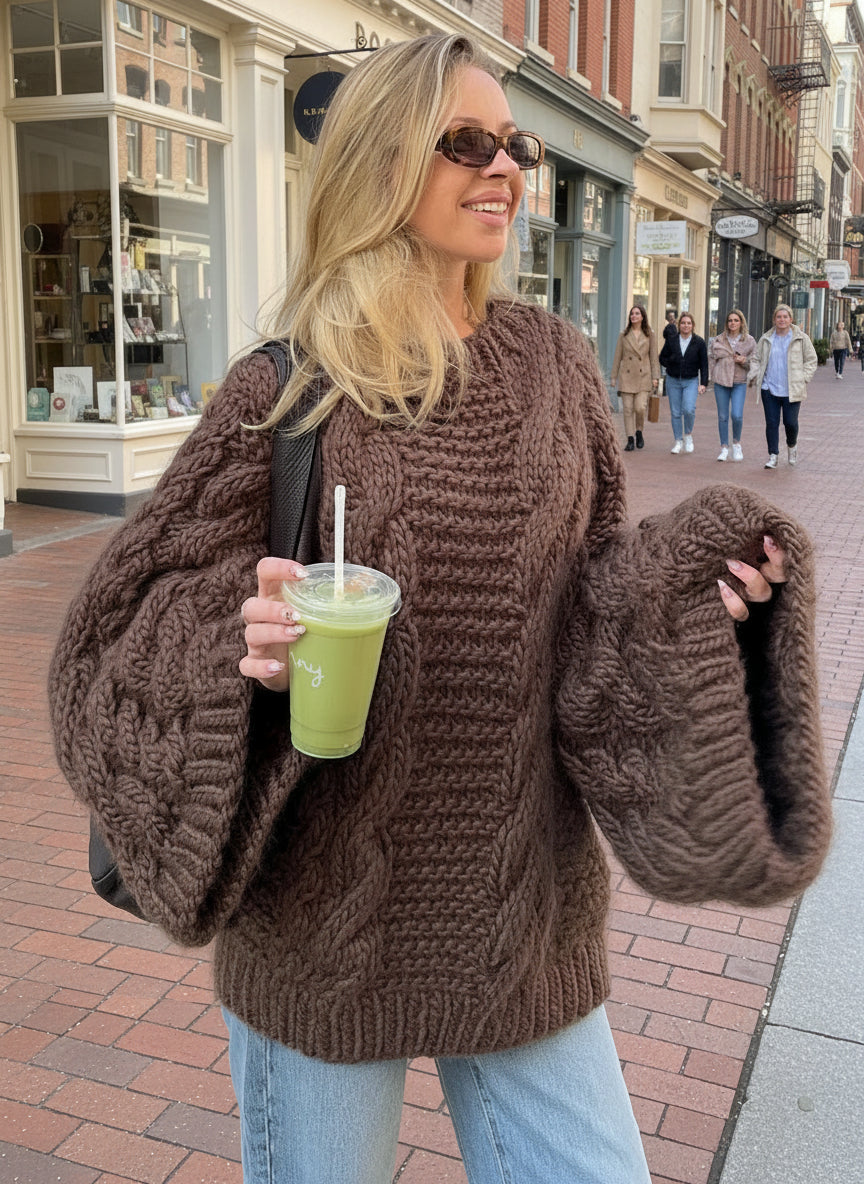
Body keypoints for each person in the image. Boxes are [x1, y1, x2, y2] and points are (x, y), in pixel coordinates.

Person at [48, 35, 831, 1184]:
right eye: (469, 141)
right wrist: (241, 635)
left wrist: (696, 590)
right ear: (379, 160)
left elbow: (592, 605)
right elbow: (120, 627)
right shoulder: (290, 382)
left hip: (525, 913)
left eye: (513, 144)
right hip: (322, 927)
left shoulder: (559, 368)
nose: (507, 166)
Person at [750, 303, 818, 469]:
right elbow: (756, 359)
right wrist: (755, 374)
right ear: (774, 319)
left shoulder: (801, 338)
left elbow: (811, 360)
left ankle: (792, 445)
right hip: (769, 388)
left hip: (792, 389)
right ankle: (773, 455)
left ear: (790, 319)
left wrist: (803, 378)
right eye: (779, 317)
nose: (782, 320)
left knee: (790, 423)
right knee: (771, 423)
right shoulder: (766, 338)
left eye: (785, 317)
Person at [609, 304, 659, 451]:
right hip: (627, 376)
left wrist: (656, 377)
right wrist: (613, 376)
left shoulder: (650, 334)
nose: (634, 316)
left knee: (640, 407)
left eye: (637, 313)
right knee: (628, 408)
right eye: (632, 314)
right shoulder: (623, 335)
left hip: (644, 377)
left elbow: (654, 357)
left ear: (642, 316)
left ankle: (639, 431)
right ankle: (630, 438)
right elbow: (618, 356)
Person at [708, 309, 757, 462]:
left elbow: (755, 362)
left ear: (741, 322)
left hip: (739, 381)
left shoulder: (749, 341)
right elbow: (711, 359)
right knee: (722, 416)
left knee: (736, 414)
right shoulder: (718, 340)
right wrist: (710, 376)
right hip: (721, 381)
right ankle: (724, 447)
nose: (733, 323)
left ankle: (736, 443)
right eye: (730, 320)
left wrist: (744, 361)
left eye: (736, 320)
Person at [658, 310, 709, 454]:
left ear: (692, 326)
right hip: (673, 380)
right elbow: (662, 358)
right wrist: (671, 361)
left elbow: (704, 364)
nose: (686, 326)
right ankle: (678, 441)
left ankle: (688, 435)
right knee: (675, 412)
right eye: (683, 323)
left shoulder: (699, 342)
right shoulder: (672, 340)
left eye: (688, 323)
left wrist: (703, 383)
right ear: (679, 325)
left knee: (689, 409)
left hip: (691, 381)